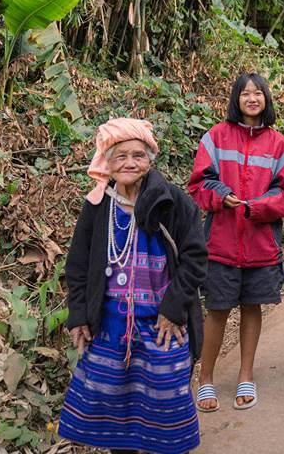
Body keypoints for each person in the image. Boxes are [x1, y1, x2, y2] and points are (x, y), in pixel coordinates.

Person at [59, 118, 207, 454]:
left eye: (137, 155)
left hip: (162, 326)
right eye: (120, 155)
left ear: (150, 159)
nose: (129, 163)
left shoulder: (174, 203)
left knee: (167, 410)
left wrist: (172, 309)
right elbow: (78, 265)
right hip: (109, 327)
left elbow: (195, 259)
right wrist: (79, 315)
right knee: (116, 416)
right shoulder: (98, 206)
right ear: (106, 162)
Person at [187, 72, 284, 412]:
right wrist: (222, 196)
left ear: (266, 99)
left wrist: (256, 208)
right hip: (220, 244)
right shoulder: (216, 137)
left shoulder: (279, 144)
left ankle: (245, 375)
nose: (252, 98)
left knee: (252, 308)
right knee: (217, 310)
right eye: (245, 93)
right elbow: (199, 184)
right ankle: (205, 379)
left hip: (261, 244)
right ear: (236, 99)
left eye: (258, 93)